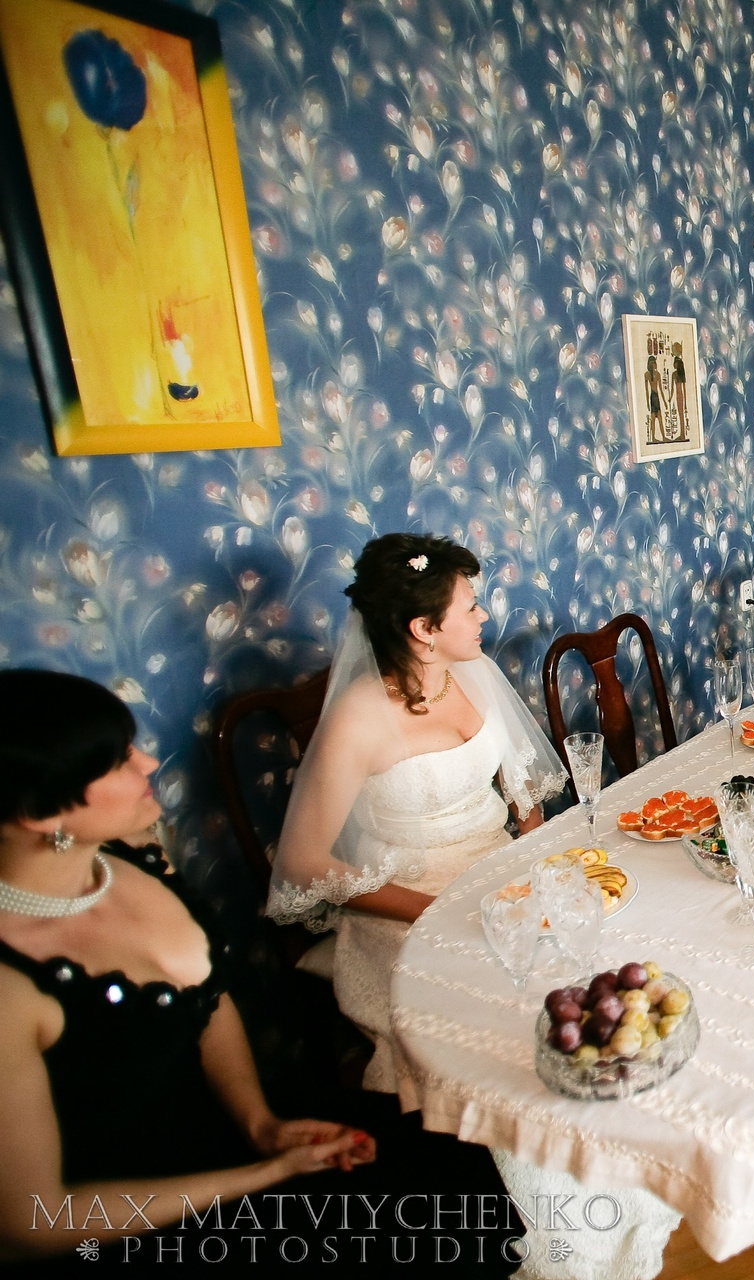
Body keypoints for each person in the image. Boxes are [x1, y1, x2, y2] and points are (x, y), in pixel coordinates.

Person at [0, 670, 374, 1269]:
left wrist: (259, 1122)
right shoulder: (10, 987)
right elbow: (34, 1221)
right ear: (41, 813)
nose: (149, 763)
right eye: (118, 761)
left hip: (229, 1133)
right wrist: (265, 1173)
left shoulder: (136, 855)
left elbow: (207, 997)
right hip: (120, 1221)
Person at [268, 533, 567, 1095]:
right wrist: (438, 911)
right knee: (504, 1018)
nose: (483, 616)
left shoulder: (472, 673)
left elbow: (519, 785)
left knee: (579, 949)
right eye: (469, 607)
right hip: (406, 900)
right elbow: (301, 862)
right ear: (424, 629)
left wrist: (534, 856)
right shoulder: (358, 719)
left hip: (496, 872)